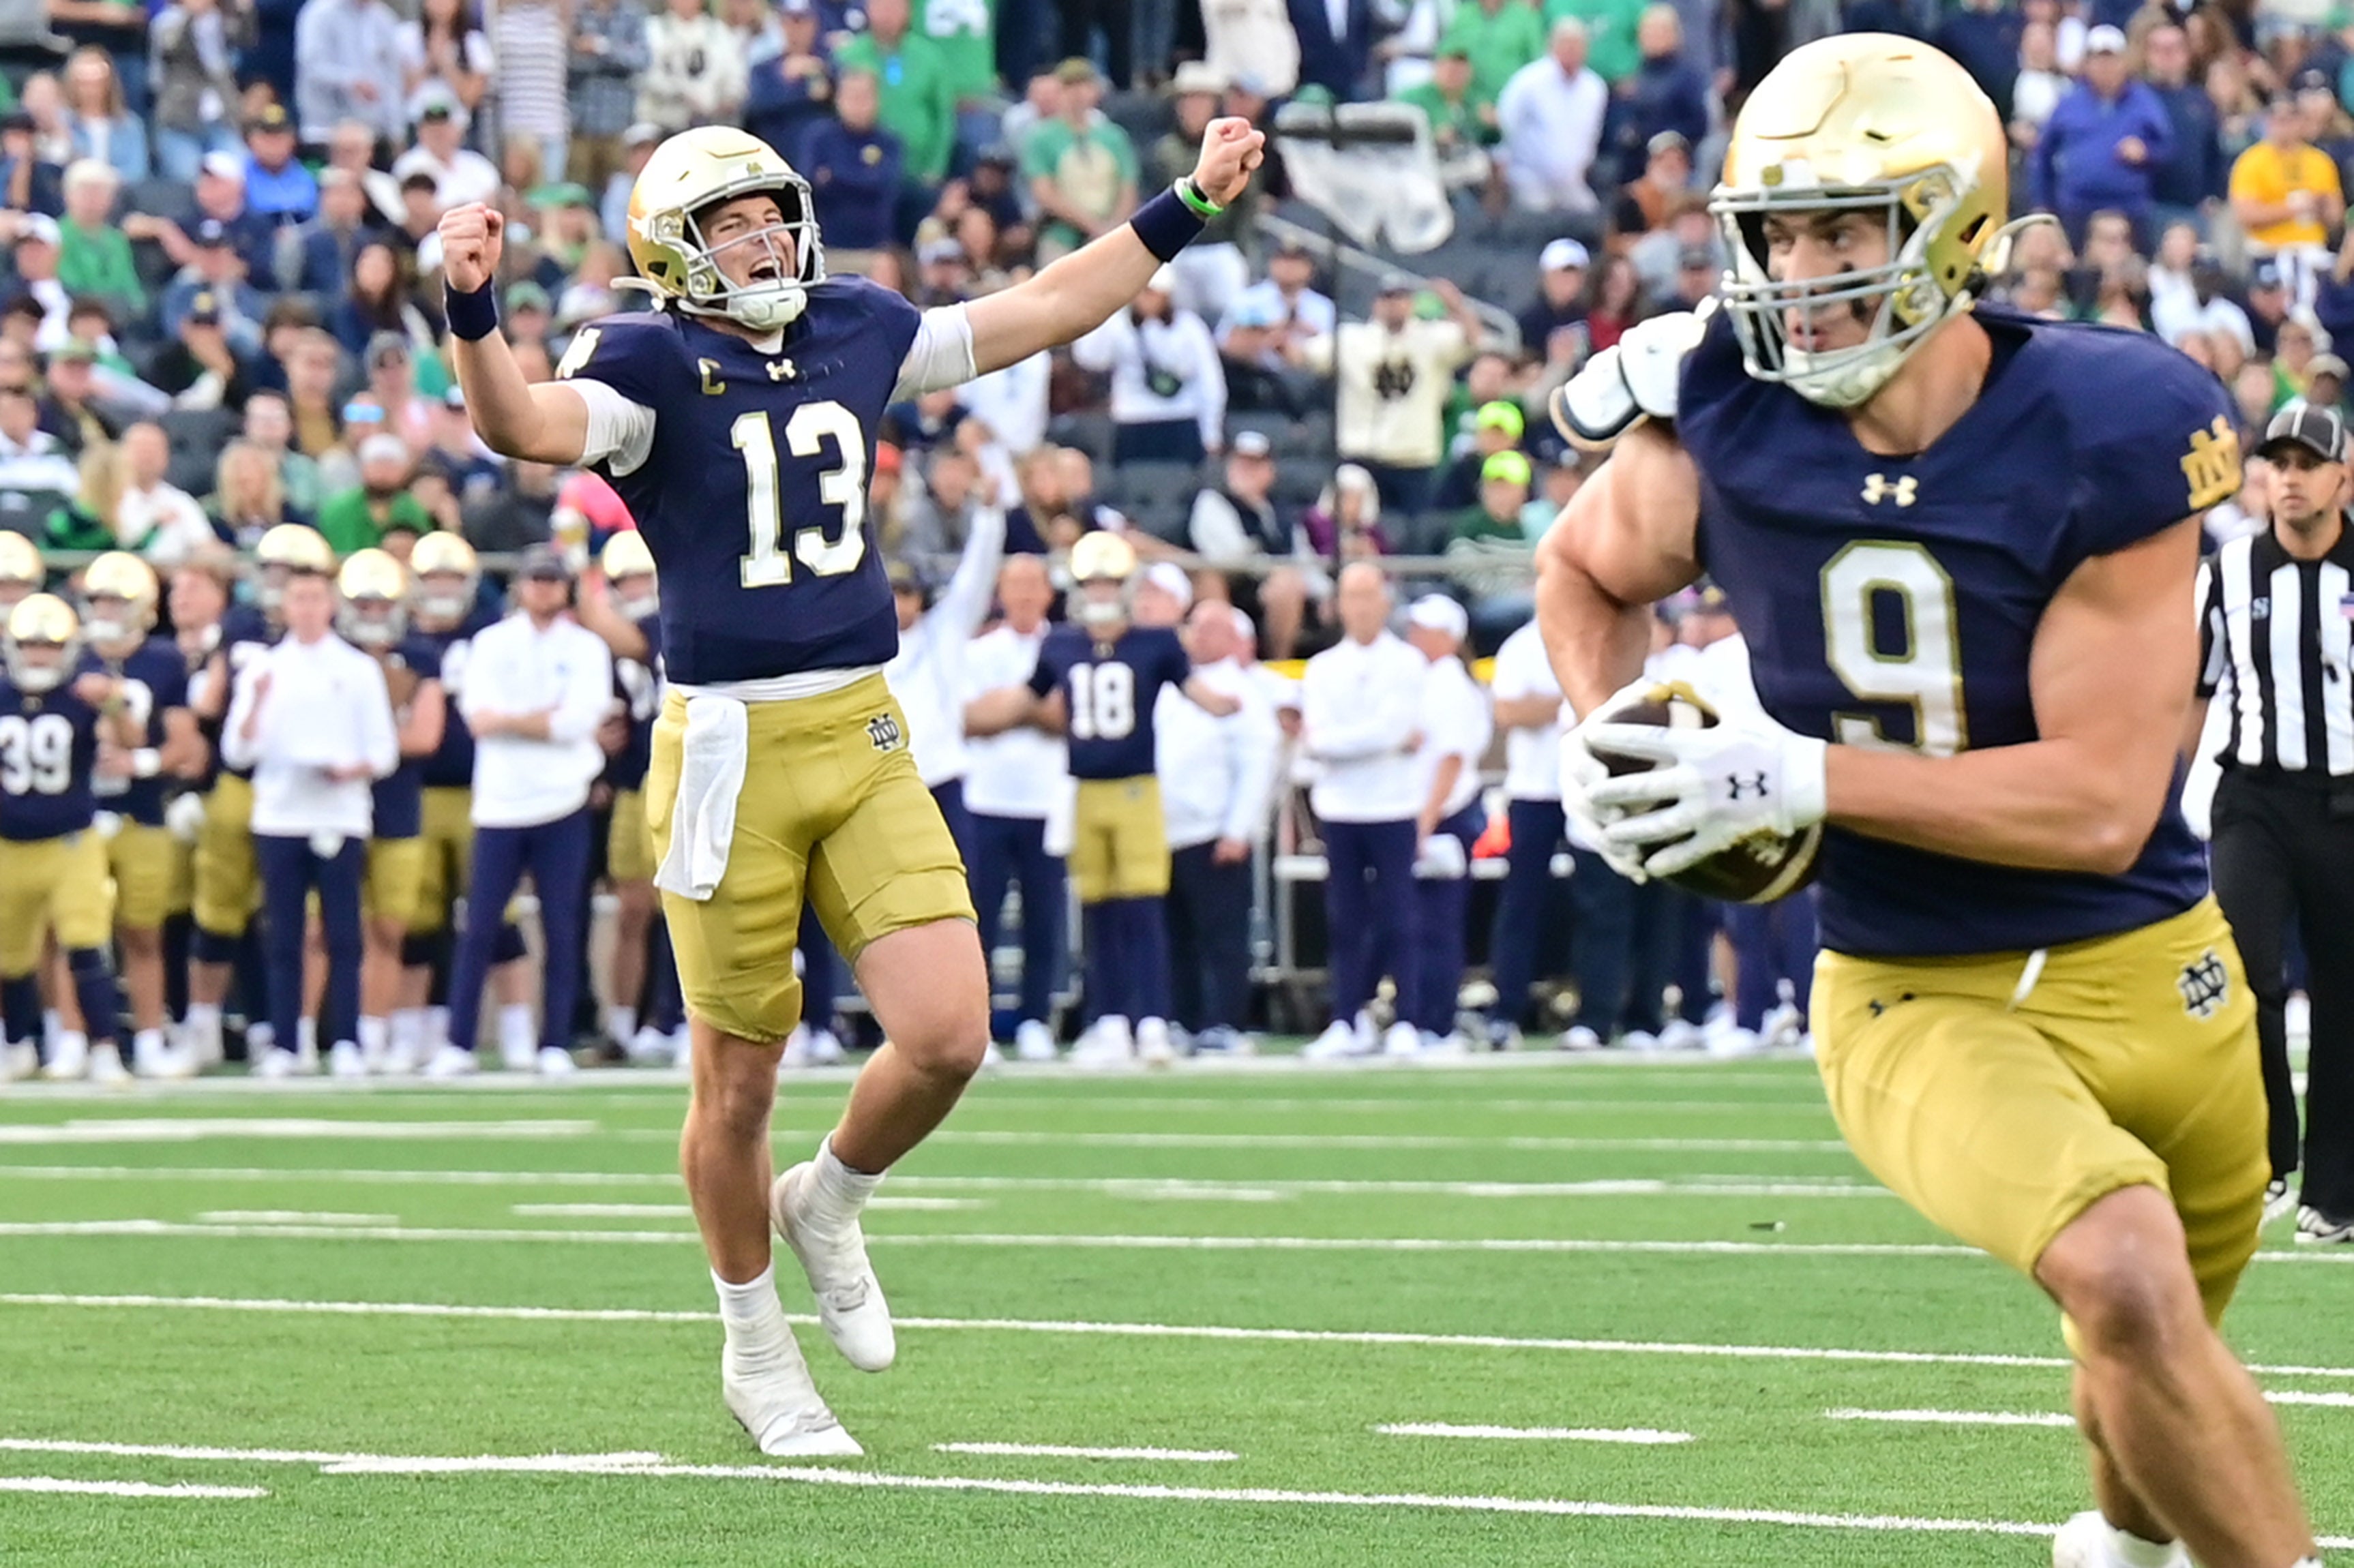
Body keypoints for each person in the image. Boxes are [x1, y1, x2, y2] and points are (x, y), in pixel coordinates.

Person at [1536, 34, 2319, 1568]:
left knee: (2146, 1352)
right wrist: (1614, 733)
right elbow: (1581, 569)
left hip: (2163, 965)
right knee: (2124, 1278)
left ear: (1952, 230)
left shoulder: (2104, 423)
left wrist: (1799, 774)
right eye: (1777, 234)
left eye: (1844, 229)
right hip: (1916, 985)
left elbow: (2097, 806)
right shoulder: (1723, 414)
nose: (1801, 272)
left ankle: (2119, 1547)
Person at [434, 112, 1265, 1454]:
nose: (766, 241)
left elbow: (1049, 305)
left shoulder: (856, 324)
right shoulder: (647, 358)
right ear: (675, 251)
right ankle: (755, 1348)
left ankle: (828, 1199)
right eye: (732, 225)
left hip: (861, 723)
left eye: (773, 215)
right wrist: (472, 307)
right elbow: (518, 422)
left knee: (947, 1034)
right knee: (737, 1087)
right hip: (726, 749)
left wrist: (1190, 202)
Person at [968, 533, 1238, 1063]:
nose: (1101, 592)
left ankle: (1153, 1019)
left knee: (1143, 907)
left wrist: (1225, 702)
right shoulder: (1061, 645)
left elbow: (1194, 689)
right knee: (1098, 910)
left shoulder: (1155, 643)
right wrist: (970, 718)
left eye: (1109, 583)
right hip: (1084, 790)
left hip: (1136, 788)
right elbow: (1027, 696)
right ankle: (1110, 1019)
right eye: (1093, 583)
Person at [2195, 404, 2354, 1246]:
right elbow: (2192, 691)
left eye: (2306, 463)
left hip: (2347, 804)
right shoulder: (2225, 571)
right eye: (2277, 462)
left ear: (2342, 477)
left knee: (2343, 995)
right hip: (2252, 797)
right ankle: (2263, 1156)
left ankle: (2333, 1190)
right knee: (2240, 971)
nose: (2289, 478)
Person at [422, 543, 612, 1081]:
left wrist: (515, 720)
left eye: (552, 581)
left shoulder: (586, 648)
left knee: (562, 926)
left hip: (563, 800)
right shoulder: (491, 642)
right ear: (521, 587)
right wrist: (540, 719)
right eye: (536, 581)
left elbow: (578, 721)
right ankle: (459, 1042)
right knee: (479, 926)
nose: (544, 590)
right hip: (501, 803)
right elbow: (479, 718)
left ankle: (554, 1042)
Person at [220, 553, 400, 1077]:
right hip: (280, 815)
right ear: (285, 606)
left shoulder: (358, 669)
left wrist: (352, 769)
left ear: (331, 605)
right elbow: (237, 751)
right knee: (284, 936)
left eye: (316, 598)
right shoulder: (265, 668)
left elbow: (383, 750)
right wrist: (255, 706)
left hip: (340, 815)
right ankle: (286, 1042)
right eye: (297, 598)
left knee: (343, 933)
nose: (307, 608)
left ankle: (346, 1040)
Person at [0, 594, 142, 1083]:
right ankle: (17, 1045)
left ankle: (104, 1049)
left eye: (49, 645)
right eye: (30, 644)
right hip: (8, 844)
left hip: (70, 842)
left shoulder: (81, 696)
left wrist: (113, 704)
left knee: (86, 943)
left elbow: (132, 741)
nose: (39, 655)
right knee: (10, 956)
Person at [74, 551, 203, 1079]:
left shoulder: (163, 661)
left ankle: (150, 1039)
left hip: (141, 810)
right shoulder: (69, 655)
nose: (106, 610)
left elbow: (185, 747)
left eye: (117, 600)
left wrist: (139, 761)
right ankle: (71, 1039)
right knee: (74, 936)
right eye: (100, 599)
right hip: (76, 814)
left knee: (144, 933)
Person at [1300, 562, 1426, 1059]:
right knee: (1345, 919)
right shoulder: (1323, 667)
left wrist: (1348, 742)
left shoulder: (1407, 663)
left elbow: (1393, 728)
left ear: (1385, 602)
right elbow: (1319, 740)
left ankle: (1407, 1019)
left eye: (1368, 595)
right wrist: (1378, 740)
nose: (1361, 607)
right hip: (1341, 808)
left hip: (1393, 805)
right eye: (1351, 596)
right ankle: (1346, 1018)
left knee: (1399, 917)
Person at [334, 547, 445, 1076]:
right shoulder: (329, 654)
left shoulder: (419, 655)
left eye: (383, 604)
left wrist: (364, 743)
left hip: (396, 802)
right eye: (365, 604)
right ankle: (310, 1035)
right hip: (332, 804)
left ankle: (376, 1032)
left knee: (390, 926)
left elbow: (424, 737)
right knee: (326, 929)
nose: (375, 614)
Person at [1155, 596, 1278, 1054]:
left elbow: (1257, 764)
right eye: (1196, 627)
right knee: (1177, 935)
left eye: (1212, 629)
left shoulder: (1242, 691)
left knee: (1223, 935)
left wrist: (1238, 829)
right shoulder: (1173, 685)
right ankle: (1183, 1019)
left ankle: (1225, 1020)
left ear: (1231, 638)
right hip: (1165, 831)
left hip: (1213, 831)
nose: (1200, 637)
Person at [960, 552, 1067, 1060]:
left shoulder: (1065, 646)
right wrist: (1035, 702)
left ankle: (1035, 1019)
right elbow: (971, 719)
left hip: (1048, 801)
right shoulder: (977, 652)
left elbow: (1068, 718)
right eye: (1015, 586)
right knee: (980, 918)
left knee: (1043, 920)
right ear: (1000, 593)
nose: (1024, 596)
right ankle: (976, 1024)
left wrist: (1011, 704)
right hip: (987, 799)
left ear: (1048, 593)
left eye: (1032, 586)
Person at [1402, 592, 1491, 1052]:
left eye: (1423, 628)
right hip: (1430, 815)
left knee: (1435, 925)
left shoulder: (1449, 685)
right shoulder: (1429, 680)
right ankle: (1420, 1017)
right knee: (1419, 924)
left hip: (1444, 817)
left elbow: (1451, 760)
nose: (1413, 635)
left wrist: (1424, 822)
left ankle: (1435, 1022)